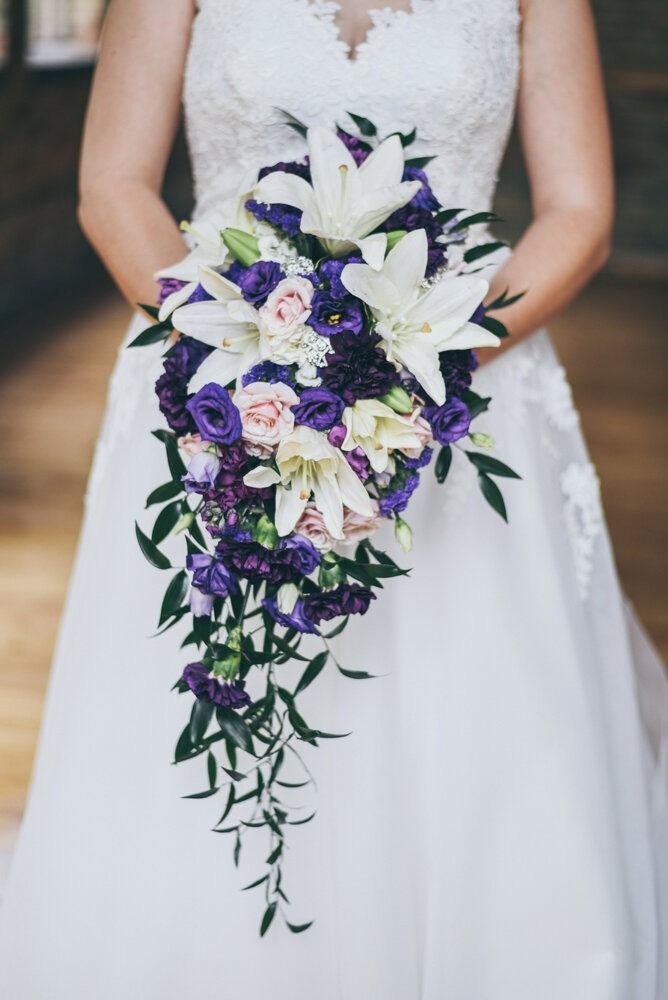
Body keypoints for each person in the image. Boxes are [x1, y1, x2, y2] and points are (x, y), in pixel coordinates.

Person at [1, 2, 666, 996]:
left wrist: (412, 364)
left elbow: (577, 210)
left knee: (478, 727)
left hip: (464, 393)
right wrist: (240, 357)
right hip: (222, 388)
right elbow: (113, 185)